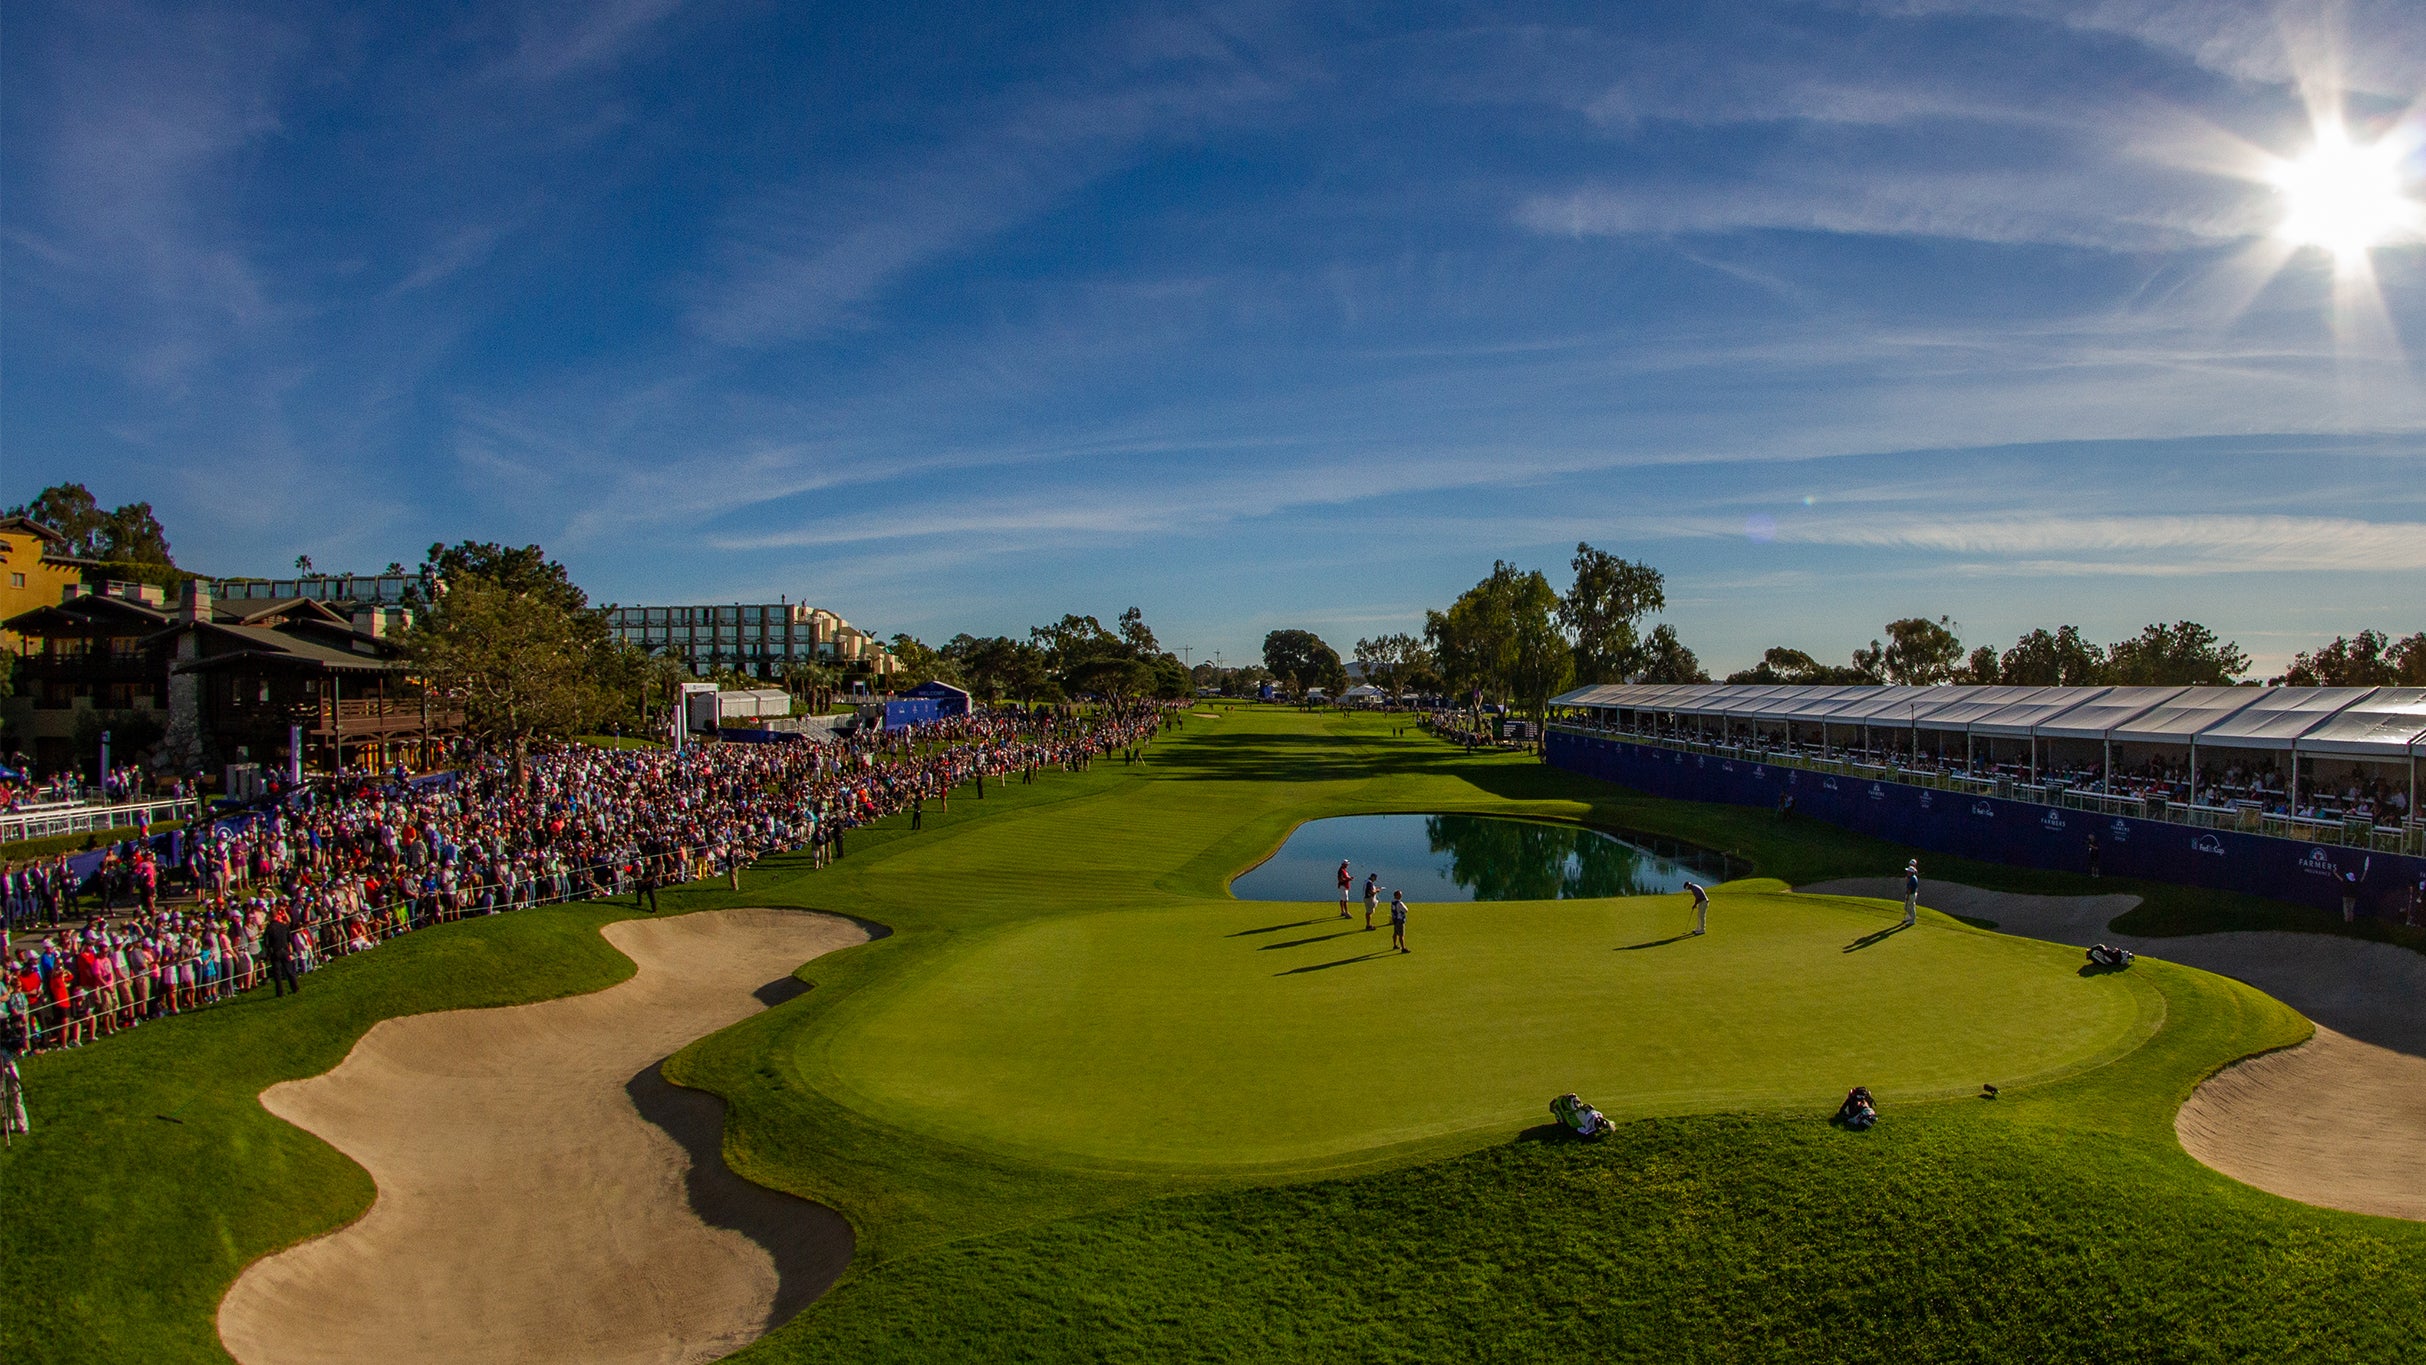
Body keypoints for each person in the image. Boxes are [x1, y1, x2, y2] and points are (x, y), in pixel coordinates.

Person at [263, 910, 300, 998]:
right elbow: (289, 939)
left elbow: (266, 943)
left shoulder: (269, 929)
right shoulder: (284, 926)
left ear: (270, 917)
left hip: (275, 952)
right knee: (289, 970)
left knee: (277, 973)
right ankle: (295, 988)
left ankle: (280, 992)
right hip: (285, 950)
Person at [1902, 859, 1920, 929]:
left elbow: (1909, 889)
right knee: (1908, 907)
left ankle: (1912, 920)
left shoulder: (1912, 879)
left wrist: (1907, 896)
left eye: (1908, 871)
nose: (1907, 872)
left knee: (1910, 907)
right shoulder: (1912, 877)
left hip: (1911, 894)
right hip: (1912, 894)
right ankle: (1909, 917)